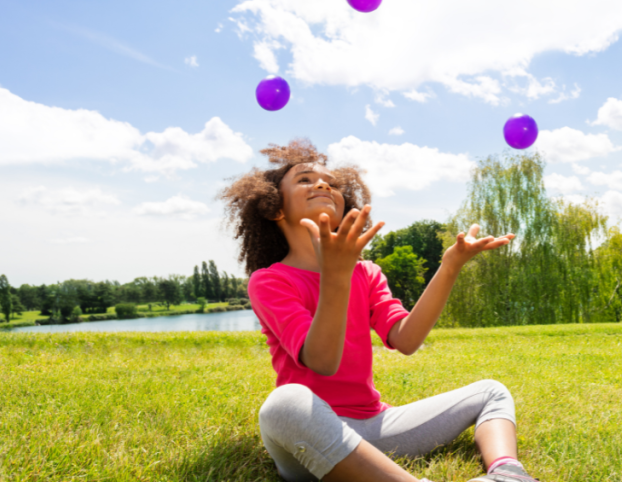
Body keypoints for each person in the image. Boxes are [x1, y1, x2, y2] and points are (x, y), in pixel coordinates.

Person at [220, 140, 538, 482]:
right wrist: (337, 275)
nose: (323, 185)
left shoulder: (366, 272)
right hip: (311, 442)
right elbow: (322, 361)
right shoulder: (270, 281)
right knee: (283, 404)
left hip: (375, 430)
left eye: (332, 183)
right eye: (305, 180)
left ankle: (508, 473)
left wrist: (449, 268)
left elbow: (406, 338)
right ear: (274, 208)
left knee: (491, 391)